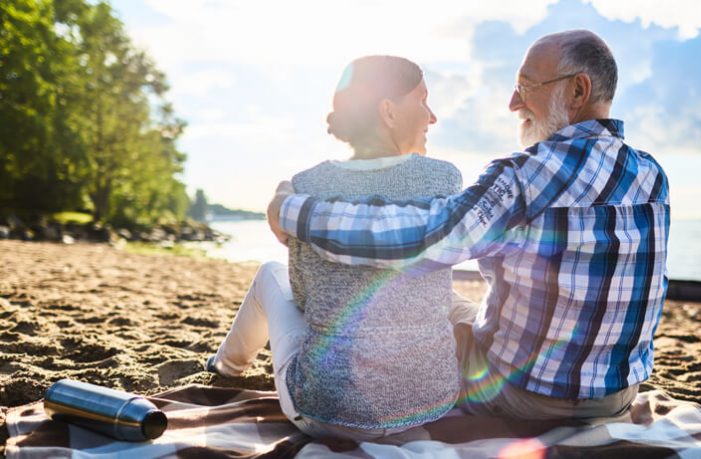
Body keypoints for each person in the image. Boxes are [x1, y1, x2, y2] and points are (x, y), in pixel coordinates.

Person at [270, 30, 670, 421]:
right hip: (618, 396)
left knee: (420, 308)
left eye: (527, 86)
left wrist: (294, 211)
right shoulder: (652, 175)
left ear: (577, 91)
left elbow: (421, 239)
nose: (514, 103)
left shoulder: (526, 176)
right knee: (449, 304)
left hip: (525, 396)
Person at [207, 55, 464, 442]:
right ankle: (226, 364)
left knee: (271, 274)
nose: (432, 116)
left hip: (327, 413)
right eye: (423, 100)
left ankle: (226, 366)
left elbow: (304, 297)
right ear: (388, 111)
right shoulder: (445, 178)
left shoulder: (307, 186)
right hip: (428, 404)